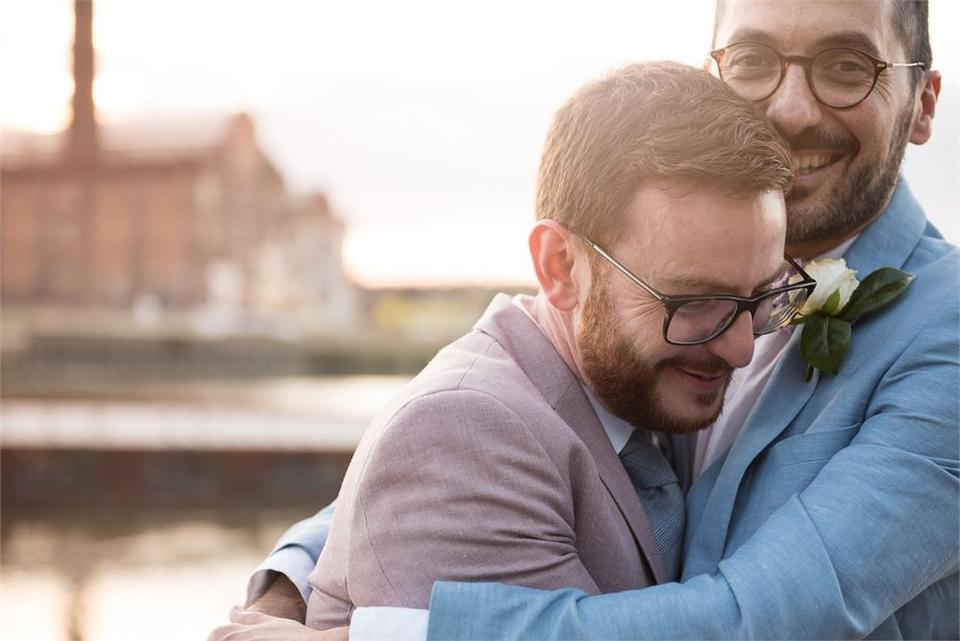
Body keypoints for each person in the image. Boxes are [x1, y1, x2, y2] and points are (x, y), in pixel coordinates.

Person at [213, 0, 959, 639]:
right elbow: (475, 431)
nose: (791, 108)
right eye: (755, 60)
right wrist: (299, 578)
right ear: (716, 77)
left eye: (845, 67)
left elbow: (760, 620)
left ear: (924, 102)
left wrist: (391, 629)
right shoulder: (666, 259)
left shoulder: (945, 330)